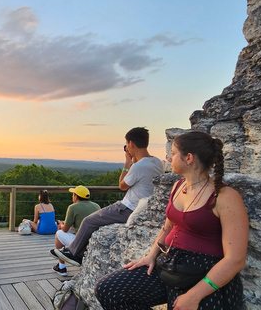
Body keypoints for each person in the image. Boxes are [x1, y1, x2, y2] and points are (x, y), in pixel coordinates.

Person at [94, 131, 249, 310]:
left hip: (202, 274)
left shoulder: (225, 197)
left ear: (188, 158)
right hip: (170, 265)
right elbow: (168, 227)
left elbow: (235, 259)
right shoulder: (179, 186)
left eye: (173, 153)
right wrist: (151, 255)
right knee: (108, 290)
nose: (168, 158)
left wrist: (194, 296)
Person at [52, 127, 164, 266]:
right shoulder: (157, 162)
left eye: (128, 145)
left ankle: (74, 253)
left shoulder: (138, 166)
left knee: (89, 221)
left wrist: (127, 162)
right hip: (144, 208)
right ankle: (77, 251)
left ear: (131, 144)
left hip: (128, 208)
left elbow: (122, 185)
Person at [50, 185, 101, 276]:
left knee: (59, 233)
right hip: (94, 241)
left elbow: (65, 229)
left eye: (73, 194)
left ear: (76, 196)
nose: (72, 196)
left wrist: (61, 224)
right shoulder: (96, 206)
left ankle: (61, 267)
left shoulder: (72, 207)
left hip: (81, 242)